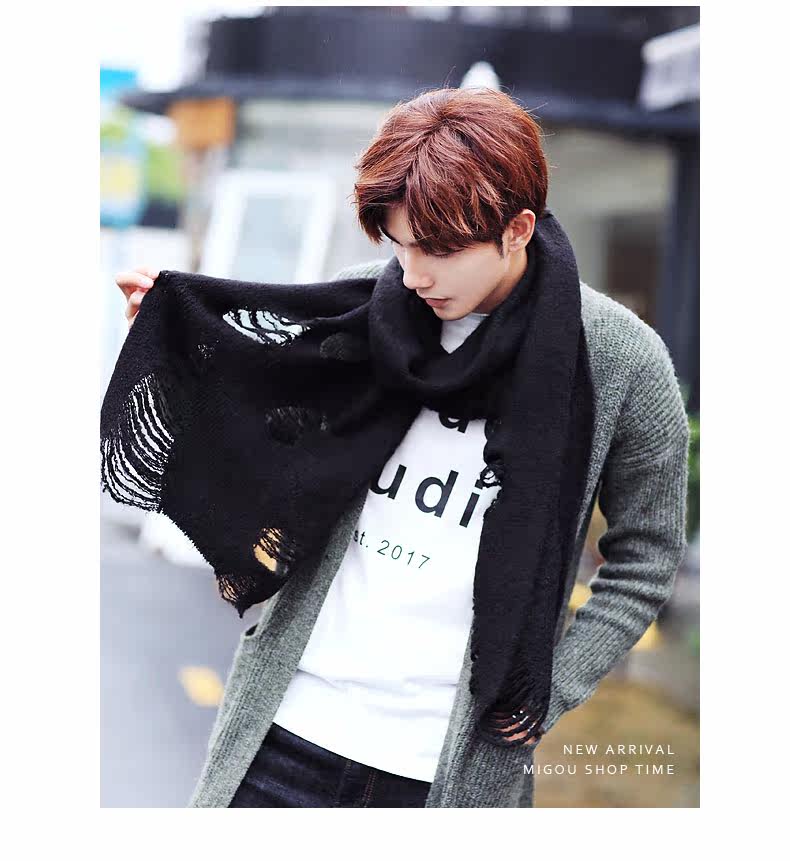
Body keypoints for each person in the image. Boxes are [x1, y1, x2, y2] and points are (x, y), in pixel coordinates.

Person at [113, 87, 689, 808]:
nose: (414, 275)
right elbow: (268, 436)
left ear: (516, 229)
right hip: (283, 734)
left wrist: (549, 685)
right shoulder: (363, 310)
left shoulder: (618, 359)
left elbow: (648, 556)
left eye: (439, 250)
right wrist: (182, 348)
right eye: (400, 245)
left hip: (444, 770)